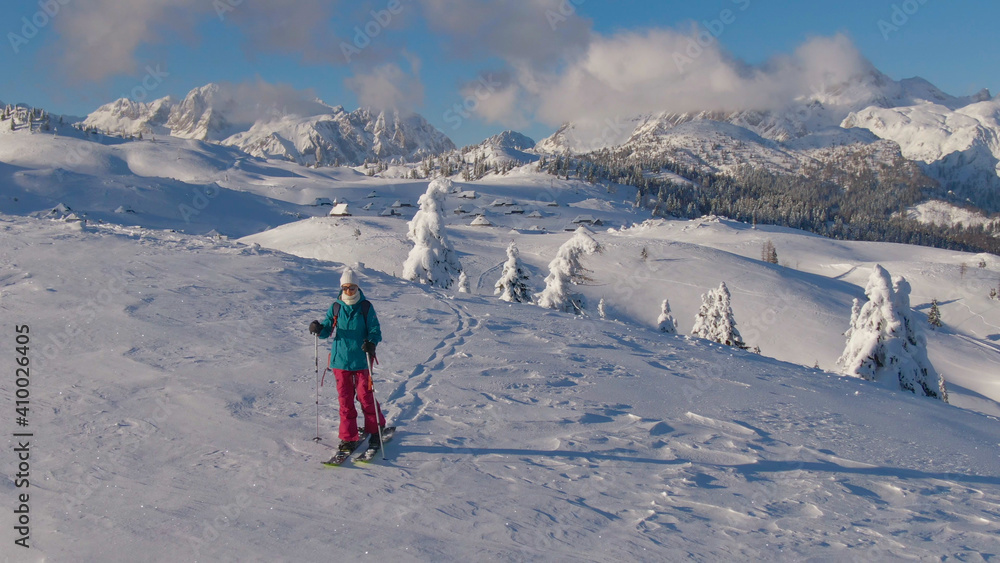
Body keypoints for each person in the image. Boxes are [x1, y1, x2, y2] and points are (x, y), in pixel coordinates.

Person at [309, 268, 385, 452]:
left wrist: (372, 343)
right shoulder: (336, 306)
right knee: (345, 399)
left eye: (352, 287)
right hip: (340, 361)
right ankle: (348, 437)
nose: (348, 291)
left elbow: (375, 330)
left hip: (361, 360)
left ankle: (376, 429)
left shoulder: (366, 307)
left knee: (365, 397)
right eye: (345, 287)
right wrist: (319, 329)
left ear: (357, 287)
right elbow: (327, 329)